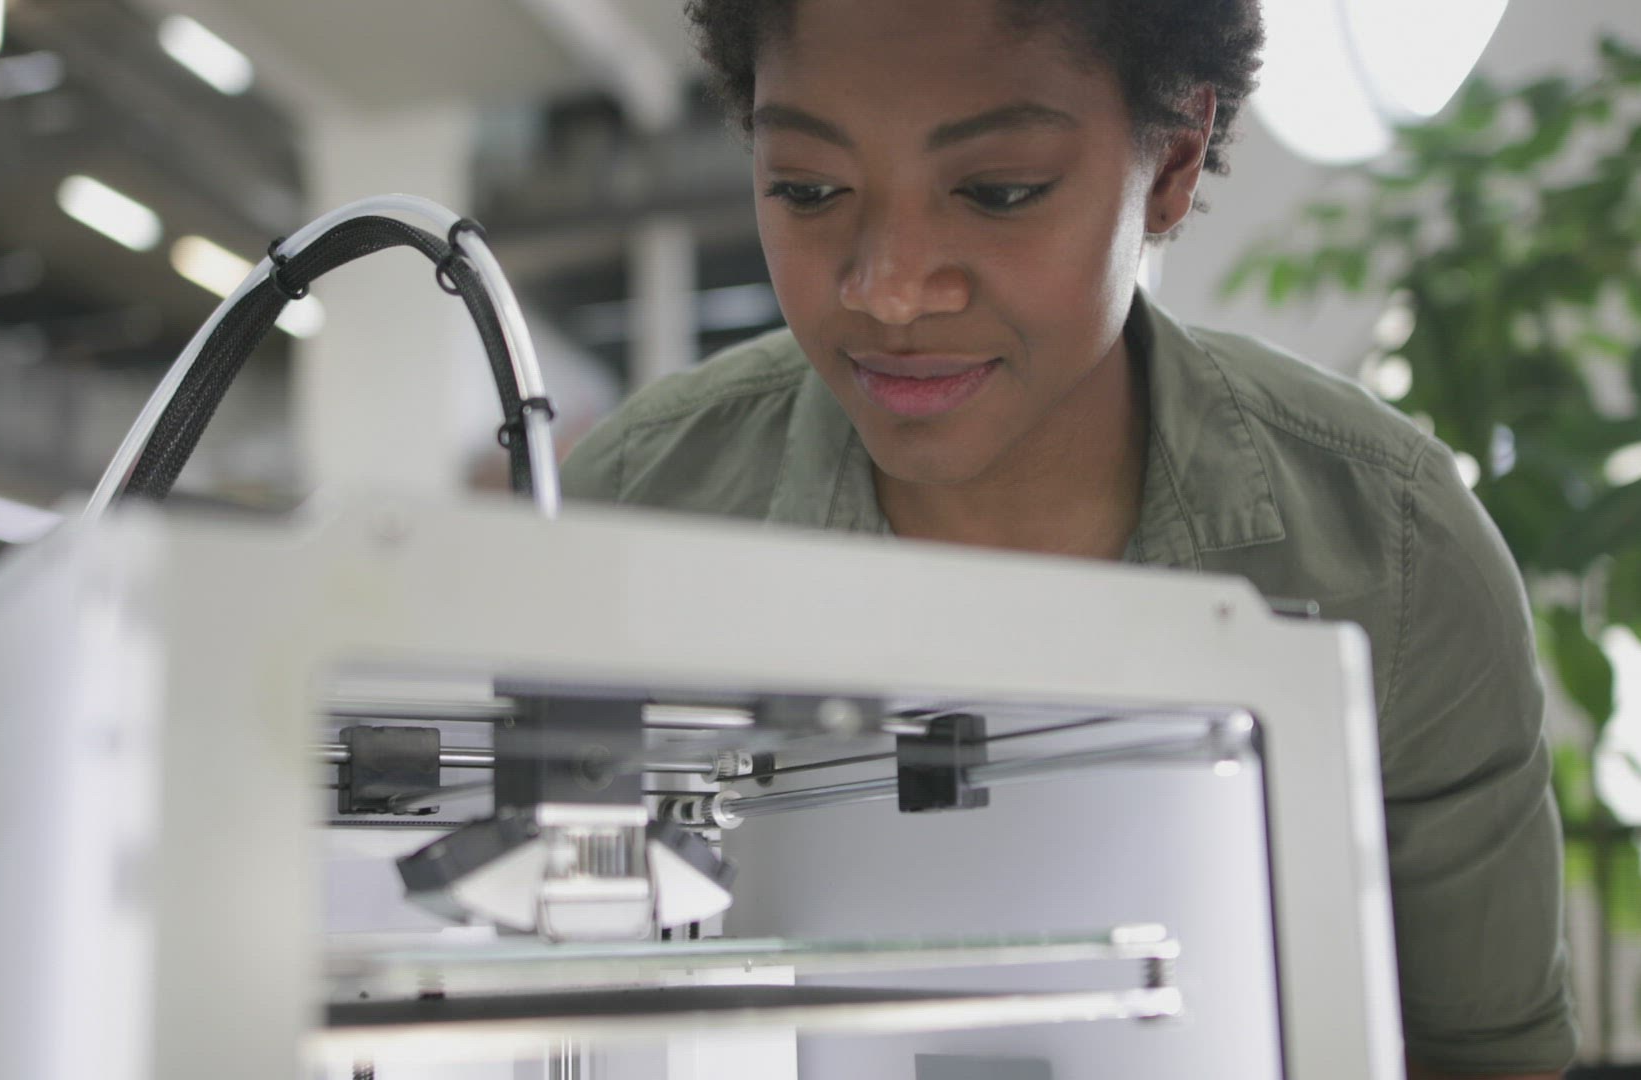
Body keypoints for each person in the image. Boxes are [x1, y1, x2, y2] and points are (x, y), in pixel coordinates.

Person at [561, 1, 1575, 1076]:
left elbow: (1484, 1059)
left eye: (998, 191)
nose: (891, 293)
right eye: (809, 190)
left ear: (1172, 161)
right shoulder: (621, 518)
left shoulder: (1391, 557)